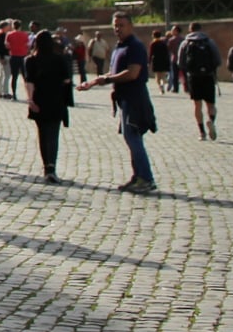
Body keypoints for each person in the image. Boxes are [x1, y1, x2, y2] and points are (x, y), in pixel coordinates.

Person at [84, 11, 157, 195]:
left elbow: (132, 73)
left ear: (130, 26)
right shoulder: (119, 47)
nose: (118, 29)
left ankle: (146, 178)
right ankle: (138, 176)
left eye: (121, 25)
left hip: (135, 98)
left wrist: (106, 80)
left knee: (133, 137)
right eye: (115, 25)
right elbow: (113, 72)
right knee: (130, 138)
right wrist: (95, 81)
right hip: (124, 99)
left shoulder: (135, 46)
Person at [23, 29, 73, 184]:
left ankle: (46, 167)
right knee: (53, 134)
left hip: (39, 99)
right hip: (56, 99)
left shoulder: (30, 60)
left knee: (42, 134)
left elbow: (29, 82)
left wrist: (30, 100)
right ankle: (52, 166)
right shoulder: (59, 59)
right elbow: (67, 80)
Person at [177, 23, 223, 140]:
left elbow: (180, 62)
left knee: (197, 105)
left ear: (190, 30)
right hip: (208, 76)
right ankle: (211, 121)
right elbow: (217, 60)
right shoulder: (209, 42)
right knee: (211, 104)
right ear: (200, 29)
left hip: (193, 77)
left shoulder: (185, 43)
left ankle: (202, 132)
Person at [3, 20, 30, 99]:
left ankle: (14, 94)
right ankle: (28, 94)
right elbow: (27, 45)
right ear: (20, 26)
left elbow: (7, 46)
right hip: (23, 56)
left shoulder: (9, 34)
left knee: (14, 76)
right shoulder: (25, 35)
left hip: (14, 56)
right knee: (25, 76)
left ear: (13, 26)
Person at [149, 29, 172, 94]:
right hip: (164, 61)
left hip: (156, 61)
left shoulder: (153, 43)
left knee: (158, 76)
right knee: (163, 76)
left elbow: (151, 53)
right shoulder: (163, 43)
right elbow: (167, 52)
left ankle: (160, 87)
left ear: (153, 36)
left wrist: (149, 61)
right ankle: (163, 84)